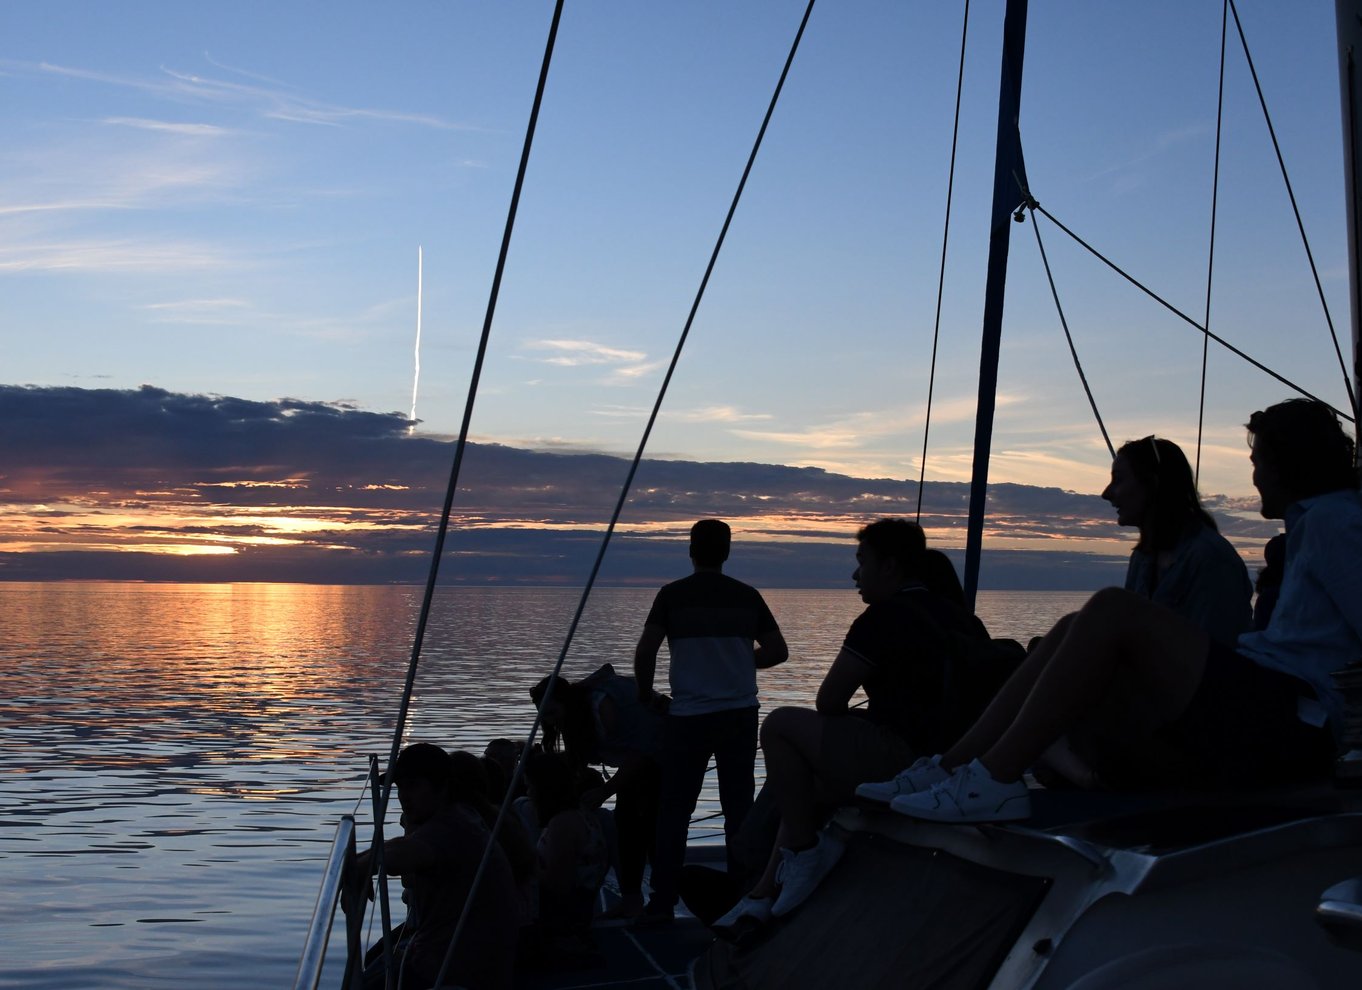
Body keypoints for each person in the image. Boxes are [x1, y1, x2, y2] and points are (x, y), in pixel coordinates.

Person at [877, 398, 1357, 825]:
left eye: (1257, 462)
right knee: (1071, 628)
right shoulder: (1316, 525)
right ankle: (954, 767)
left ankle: (992, 779)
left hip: (1297, 720)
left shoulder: (1334, 522)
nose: (1253, 476)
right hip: (1272, 705)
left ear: (1287, 463)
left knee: (1110, 610)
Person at [712, 518, 1001, 930]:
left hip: (906, 761)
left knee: (779, 726)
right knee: (803, 783)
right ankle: (762, 888)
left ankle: (793, 858)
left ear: (890, 566)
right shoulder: (965, 621)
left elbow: (829, 701)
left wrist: (859, 719)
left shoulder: (881, 619)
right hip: (959, 758)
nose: (854, 574)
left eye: (862, 561)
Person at [634, 518, 788, 924]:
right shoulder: (747, 596)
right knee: (738, 809)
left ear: (691, 549)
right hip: (739, 716)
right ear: (727, 551)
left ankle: (661, 904)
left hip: (687, 718)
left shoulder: (671, 596)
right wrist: (740, 662)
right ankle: (740, 897)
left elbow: (646, 649)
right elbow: (777, 651)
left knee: (674, 811)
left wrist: (645, 695)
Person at [354, 743, 519, 990]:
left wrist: (359, 867)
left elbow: (400, 856)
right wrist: (360, 862)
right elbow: (397, 848)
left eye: (413, 786)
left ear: (442, 788)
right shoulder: (461, 816)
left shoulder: (452, 827)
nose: (403, 797)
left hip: (459, 971)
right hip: (457, 959)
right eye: (400, 787)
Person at [530, 665, 664, 920]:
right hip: (637, 764)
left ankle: (661, 901)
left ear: (566, 703)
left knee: (647, 828)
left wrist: (606, 790)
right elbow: (577, 760)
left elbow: (640, 753)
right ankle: (631, 901)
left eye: (552, 712)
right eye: (543, 716)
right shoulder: (573, 718)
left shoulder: (602, 708)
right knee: (626, 828)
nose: (549, 721)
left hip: (660, 758)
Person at [1102, 435, 1251, 646]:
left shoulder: (1209, 558)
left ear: (1152, 483)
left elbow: (1218, 652)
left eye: (1118, 479)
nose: (1106, 493)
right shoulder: (1143, 557)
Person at [522, 749, 610, 967]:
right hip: (576, 912)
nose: (528, 792)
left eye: (531, 786)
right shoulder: (582, 816)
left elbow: (558, 885)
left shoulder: (564, 825)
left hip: (565, 920)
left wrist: (525, 864)